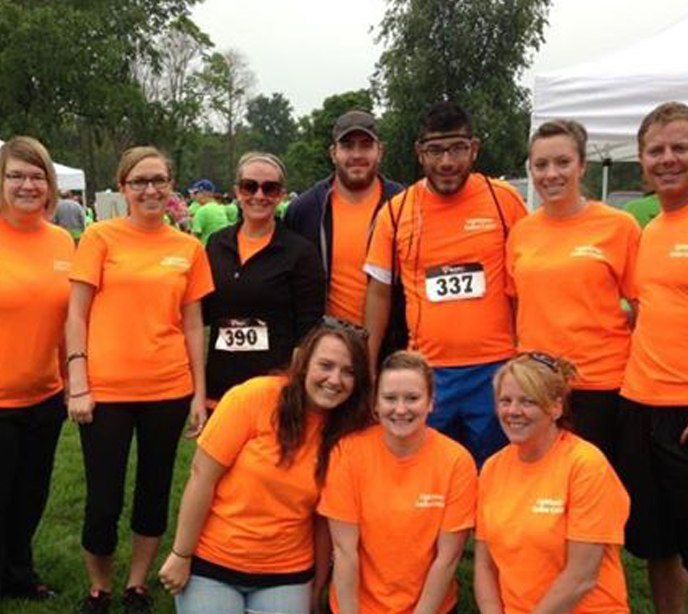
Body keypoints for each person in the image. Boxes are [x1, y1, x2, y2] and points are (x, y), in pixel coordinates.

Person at [66, 146, 214, 614]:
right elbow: (76, 312)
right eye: (139, 182)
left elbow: (194, 324)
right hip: (105, 390)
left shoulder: (187, 247)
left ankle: (135, 585)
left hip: (167, 389)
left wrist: (199, 392)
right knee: (103, 498)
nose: (150, 190)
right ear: (123, 186)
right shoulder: (99, 237)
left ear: (171, 185)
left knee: (154, 491)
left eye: (159, 181)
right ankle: (98, 586)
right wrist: (78, 380)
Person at [158, 321, 374, 614]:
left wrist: (316, 588)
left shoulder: (349, 434)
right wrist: (181, 554)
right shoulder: (253, 397)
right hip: (214, 561)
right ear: (303, 363)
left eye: (348, 372)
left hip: (287, 572)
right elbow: (201, 477)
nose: (335, 379)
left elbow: (326, 522)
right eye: (326, 365)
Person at [365, 101, 527, 466]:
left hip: (496, 369)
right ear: (419, 153)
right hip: (427, 372)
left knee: (496, 477)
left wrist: (526, 357)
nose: (447, 162)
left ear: (475, 147)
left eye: (457, 148)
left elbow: (527, 283)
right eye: (435, 150)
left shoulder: (505, 201)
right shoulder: (396, 211)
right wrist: (369, 367)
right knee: (430, 478)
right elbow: (377, 293)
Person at [506, 119, 641, 460]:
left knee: (597, 486)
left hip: (601, 386)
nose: (551, 174)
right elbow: (516, 305)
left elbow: (642, 307)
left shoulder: (618, 226)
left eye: (562, 162)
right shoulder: (521, 233)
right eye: (541, 165)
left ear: (582, 165)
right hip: (538, 388)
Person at [319, 351, 477, 614]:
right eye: (390, 398)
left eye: (412, 398)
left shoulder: (456, 461)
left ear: (430, 403)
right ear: (376, 404)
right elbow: (345, 552)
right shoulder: (347, 453)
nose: (401, 409)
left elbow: (447, 559)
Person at [474, 353, 630, 614]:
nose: (513, 411)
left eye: (528, 401)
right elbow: (484, 565)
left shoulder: (586, 465)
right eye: (505, 401)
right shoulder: (492, 468)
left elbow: (581, 579)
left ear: (556, 407)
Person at [617, 101, 688, 614]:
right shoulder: (648, 231)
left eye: (680, 148)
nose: (668, 159)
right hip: (639, 406)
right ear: (640, 160)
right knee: (657, 548)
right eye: (656, 150)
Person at [0, 137, 74, 601]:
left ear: (49, 185)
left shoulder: (64, 241)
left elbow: (71, 318)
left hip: (46, 395)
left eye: (36, 176)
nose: (28, 185)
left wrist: (71, 381)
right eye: (16, 176)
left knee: (29, 498)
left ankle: (18, 575)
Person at [203, 152, 325, 407]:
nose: (259, 195)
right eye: (250, 187)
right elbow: (202, 312)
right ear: (237, 192)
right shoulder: (216, 244)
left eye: (270, 188)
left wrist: (295, 385)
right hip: (221, 387)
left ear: (281, 195)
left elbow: (309, 328)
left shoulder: (300, 252)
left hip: (274, 389)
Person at [286, 109, 403, 326]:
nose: (357, 155)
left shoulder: (403, 205)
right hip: (327, 344)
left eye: (366, 145)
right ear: (333, 153)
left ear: (380, 151)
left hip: (392, 345)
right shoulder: (305, 209)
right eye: (347, 146)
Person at [190, 179, 229, 245]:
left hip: (206, 252)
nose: (194, 196)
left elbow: (193, 238)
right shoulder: (221, 208)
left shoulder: (202, 211)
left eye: (196, 192)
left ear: (204, 193)